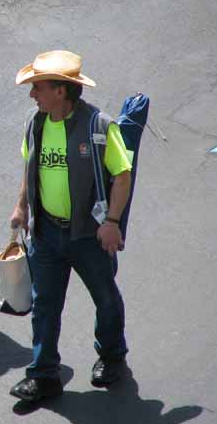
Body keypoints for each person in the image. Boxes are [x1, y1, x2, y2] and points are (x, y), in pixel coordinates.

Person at [8, 50, 132, 403]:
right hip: (46, 235)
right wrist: (21, 208)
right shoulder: (36, 124)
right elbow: (30, 168)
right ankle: (43, 374)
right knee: (44, 304)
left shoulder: (98, 127)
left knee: (105, 298)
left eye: (38, 87)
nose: (32, 94)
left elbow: (122, 176)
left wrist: (111, 223)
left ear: (61, 91)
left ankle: (111, 356)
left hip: (89, 236)